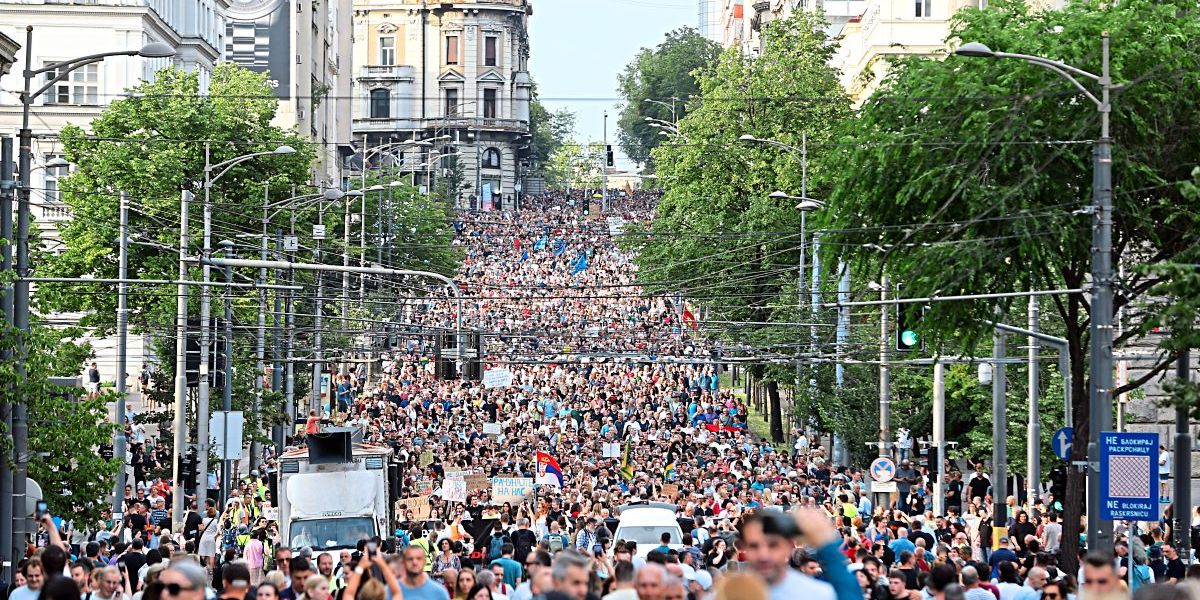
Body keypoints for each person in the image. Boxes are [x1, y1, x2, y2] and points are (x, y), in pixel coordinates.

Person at [739, 511, 837, 600]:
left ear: (788, 547)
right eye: (754, 546)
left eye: (773, 545)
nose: (763, 555)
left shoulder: (820, 595)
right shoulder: (728, 593)